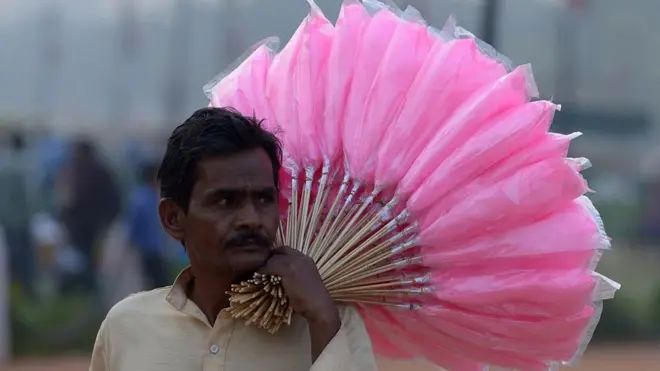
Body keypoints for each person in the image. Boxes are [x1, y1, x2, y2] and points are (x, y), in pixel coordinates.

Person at [89, 108, 377, 371]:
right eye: (226, 201)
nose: (252, 218)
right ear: (173, 218)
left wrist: (322, 319)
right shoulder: (126, 326)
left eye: (265, 199)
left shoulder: (331, 322)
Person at [58, 138, 121, 293]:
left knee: (87, 259)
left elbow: (113, 200)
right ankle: (85, 290)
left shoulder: (89, 172)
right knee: (84, 259)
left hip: (89, 225)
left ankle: (87, 290)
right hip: (84, 225)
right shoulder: (81, 170)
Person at [127, 160, 169, 289]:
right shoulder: (145, 199)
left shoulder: (140, 197)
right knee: (159, 283)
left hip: (148, 248)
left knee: (152, 282)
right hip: (150, 248)